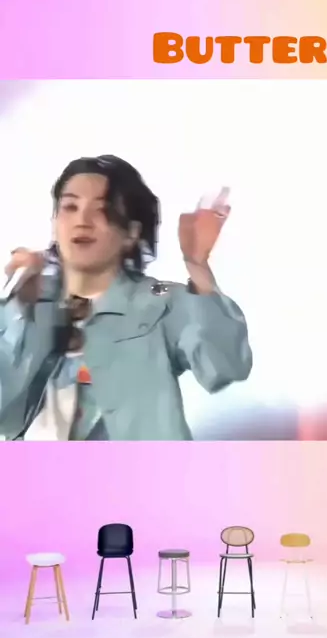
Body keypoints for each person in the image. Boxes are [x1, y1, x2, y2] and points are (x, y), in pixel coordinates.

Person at [0, 155, 252, 440]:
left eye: (102, 210)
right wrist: (20, 307)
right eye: (70, 207)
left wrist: (197, 264)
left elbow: (225, 366)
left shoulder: (159, 302)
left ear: (131, 233)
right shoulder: (28, 304)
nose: (82, 221)